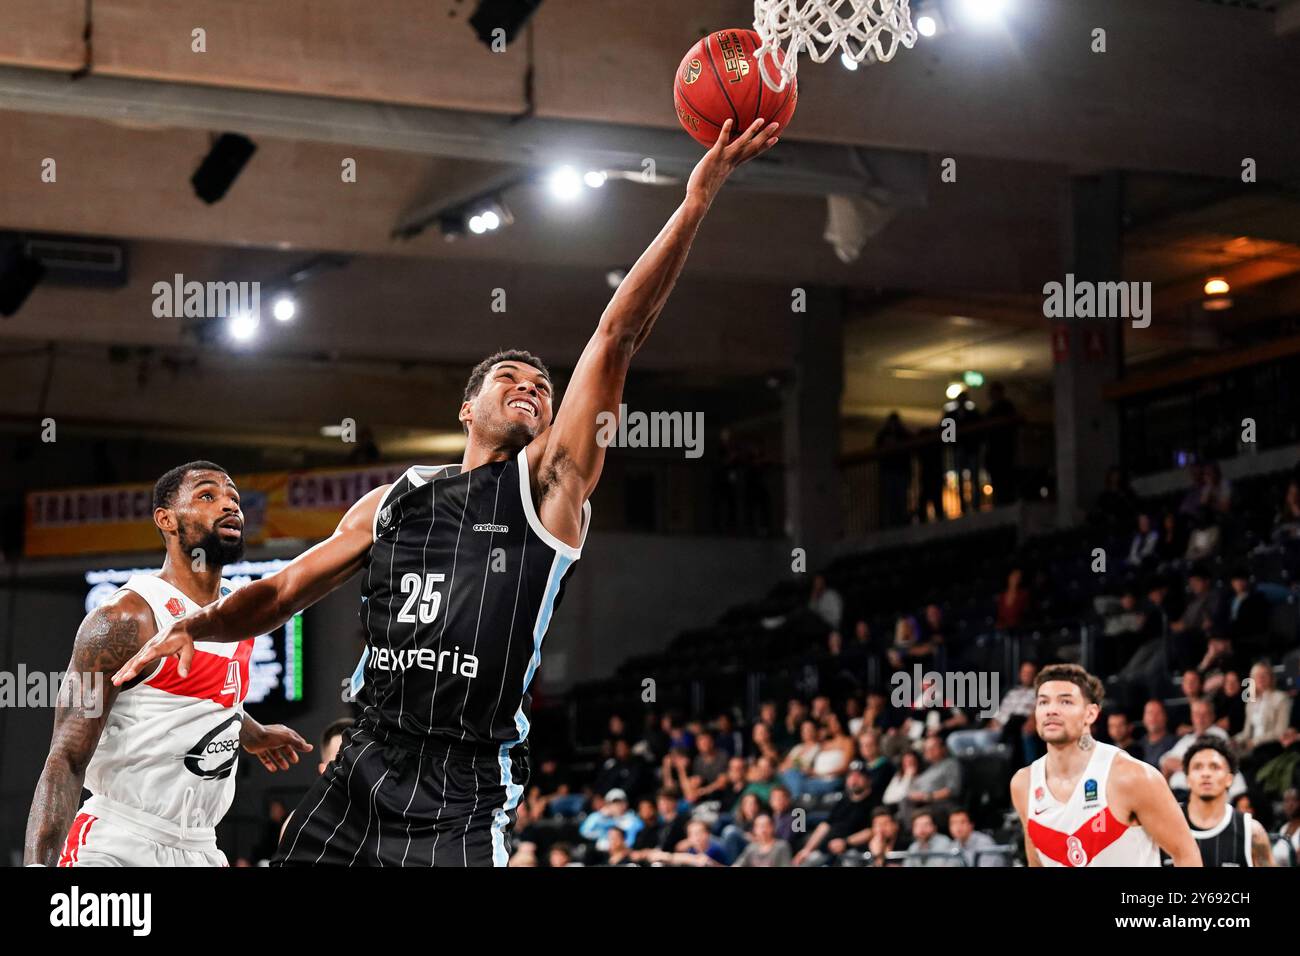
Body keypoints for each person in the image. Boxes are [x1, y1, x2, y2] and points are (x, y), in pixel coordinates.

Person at [110, 119, 783, 867]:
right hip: (364, 763)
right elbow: (280, 593)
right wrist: (195, 628)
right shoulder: (397, 499)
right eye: (510, 380)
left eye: (543, 388)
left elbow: (617, 335)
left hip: (464, 787)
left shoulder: (549, 490)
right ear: (468, 409)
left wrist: (695, 200)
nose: (530, 389)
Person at [24, 462, 310, 867]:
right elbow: (66, 757)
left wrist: (251, 731)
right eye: (207, 496)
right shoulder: (125, 617)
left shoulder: (239, 613)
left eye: (234, 498)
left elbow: (201, 698)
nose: (229, 506)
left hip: (201, 847)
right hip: (118, 840)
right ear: (166, 519)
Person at [1010, 664, 1200, 866]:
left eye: (1065, 701)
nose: (1051, 710)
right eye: (1043, 702)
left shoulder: (1132, 776)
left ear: (1090, 714)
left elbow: (1186, 855)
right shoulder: (1023, 784)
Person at [1173, 736, 1274, 867]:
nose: (1206, 773)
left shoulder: (1252, 831)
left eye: (1214, 767)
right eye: (1198, 767)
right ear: (1187, 779)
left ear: (1229, 779)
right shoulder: (1166, 823)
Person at [793, 761, 877, 866]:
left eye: (859, 776)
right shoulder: (843, 801)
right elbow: (825, 825)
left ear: (869, 780)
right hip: (827, 850)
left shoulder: (874, 803)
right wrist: (807, 850)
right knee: (804, 862)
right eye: (851, 776)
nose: (854, 780)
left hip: (854, 851)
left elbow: (873, 830)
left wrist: (846, 842)